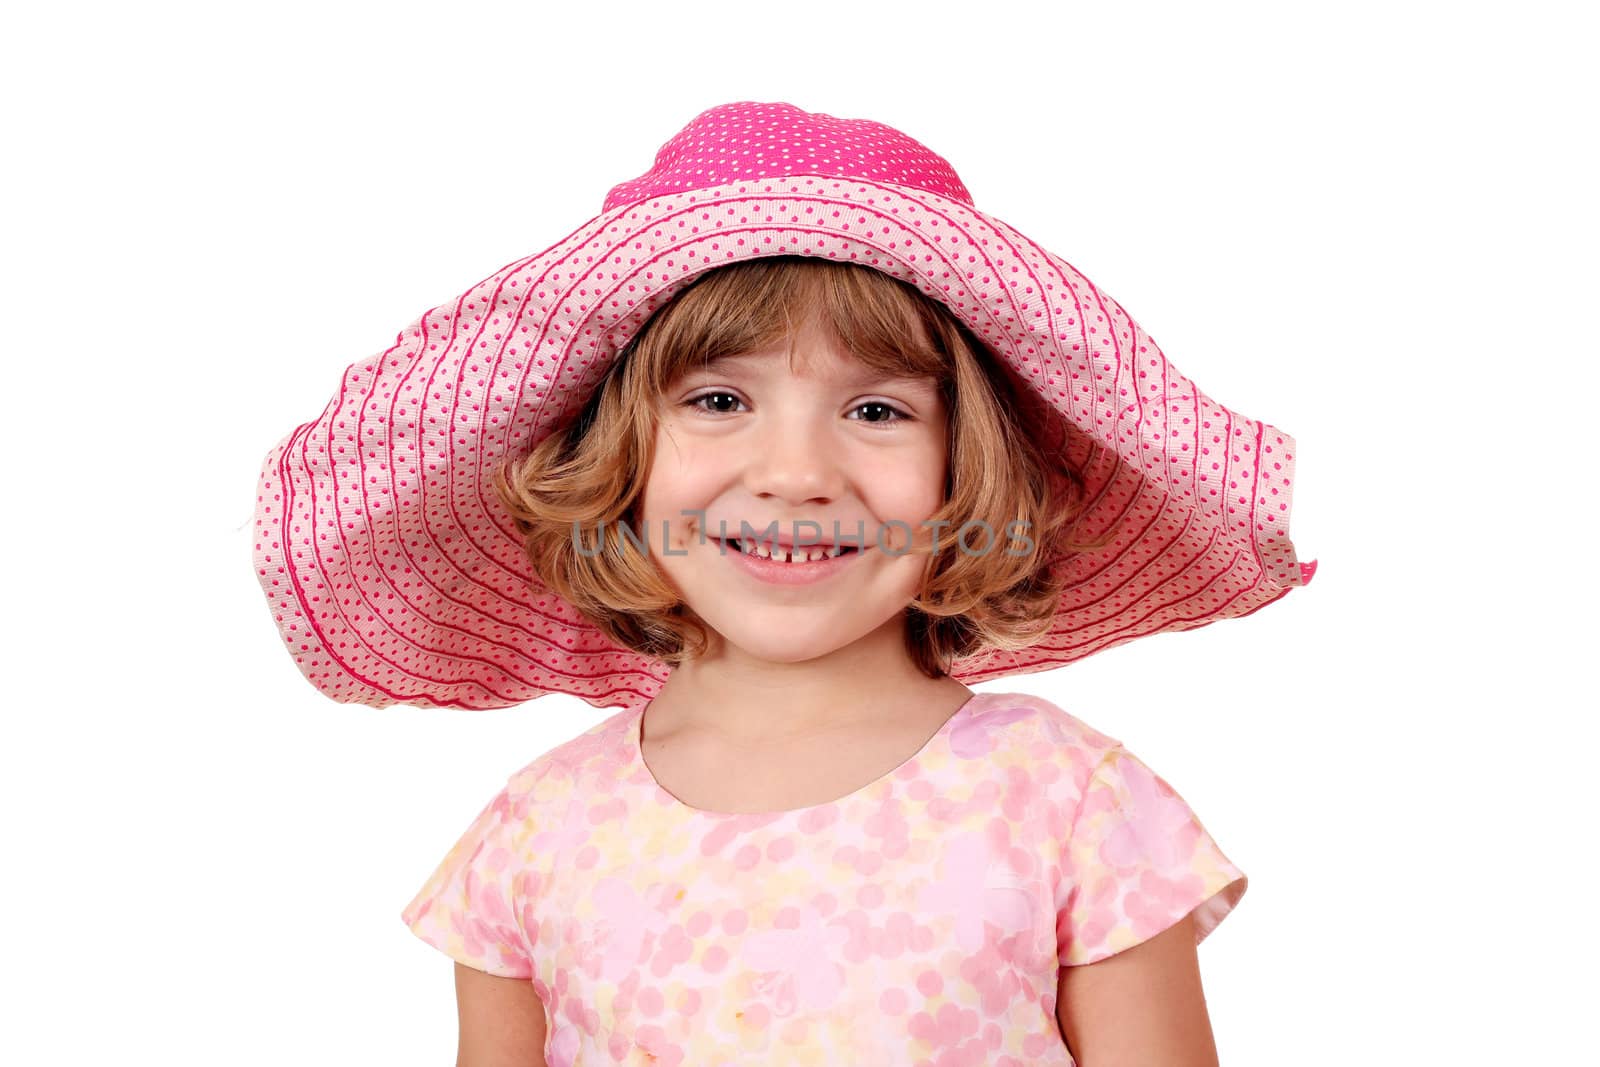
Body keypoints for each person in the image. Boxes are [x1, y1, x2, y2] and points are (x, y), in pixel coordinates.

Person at [250, 101, 1315, 1066]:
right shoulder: (535, 832)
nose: (797, 474)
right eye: (718, 399)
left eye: (876, 410)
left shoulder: (1070, 802)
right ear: (614, 459)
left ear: (966, 469)